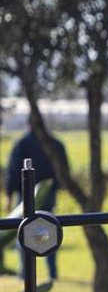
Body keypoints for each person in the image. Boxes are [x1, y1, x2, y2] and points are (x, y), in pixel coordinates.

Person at [5, 117, 68, 279]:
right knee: (50, 230)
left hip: (25, 195)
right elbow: (63, 170)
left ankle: (24, 272)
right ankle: (52, 273)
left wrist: (9, 195)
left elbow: (13, 171)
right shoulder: (55, 144)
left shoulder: (21, 144)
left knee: (24, 231)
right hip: (48, 193)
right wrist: (56, 187)